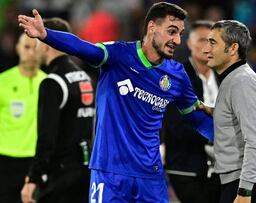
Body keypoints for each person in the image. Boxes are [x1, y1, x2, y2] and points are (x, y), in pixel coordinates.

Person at [18, 2, 214, 203]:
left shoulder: (176, 74)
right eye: (172, 31)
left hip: (150, 176)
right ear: (152, 27)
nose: (177, 40)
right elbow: (81, 47)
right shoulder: (118, 55)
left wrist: (230, 143)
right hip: (110, 173)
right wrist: (46, 35)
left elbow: (197, 118)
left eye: (180, 33)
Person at [201, 20, 256, 203]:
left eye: (213, 42)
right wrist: (216, 112)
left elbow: (254, 141)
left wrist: (245, 191)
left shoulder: (241, 82)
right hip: (245, 180)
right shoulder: (234, 79)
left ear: (233, 48)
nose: (206, 49)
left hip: (250, 184)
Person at [20, 18, 95, 203]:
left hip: (60, 177)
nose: (36, 48)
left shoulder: (52, 82)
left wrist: (34, 177)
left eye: (38, 43)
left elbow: (47, 136)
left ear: (46, 45)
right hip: (85, 170)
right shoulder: (84, 76)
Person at [162, 20, 220, 203]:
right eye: (202, 40)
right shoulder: (177, 76)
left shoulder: (224, 75)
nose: (207, 47)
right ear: (189, 43)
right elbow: (174, 125)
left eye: (212, 41)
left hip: (222, 169)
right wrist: (216, 135)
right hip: (186, 166)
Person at [0, 33, 46, 203]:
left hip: (35, 161)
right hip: (5, 159)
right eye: (26, 47)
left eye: (35, 48)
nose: (31, 53)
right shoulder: (2, 82)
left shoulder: (49, 83)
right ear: (17, 48)